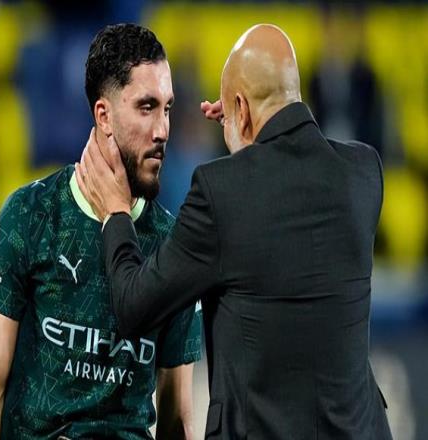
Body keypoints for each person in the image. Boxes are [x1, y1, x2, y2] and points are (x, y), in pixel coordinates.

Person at [76, 24, 393, 439]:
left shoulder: (221, 191)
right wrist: (249, 131)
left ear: (239, 109)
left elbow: (134, 306)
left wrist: (116, 212)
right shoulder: (364, 173)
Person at [0, 23, 202, 440]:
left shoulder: (174, 243)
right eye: (146, 107)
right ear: (103, 115)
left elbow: (177, 419)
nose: (162, 130)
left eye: (167, 108)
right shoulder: (31, 216)